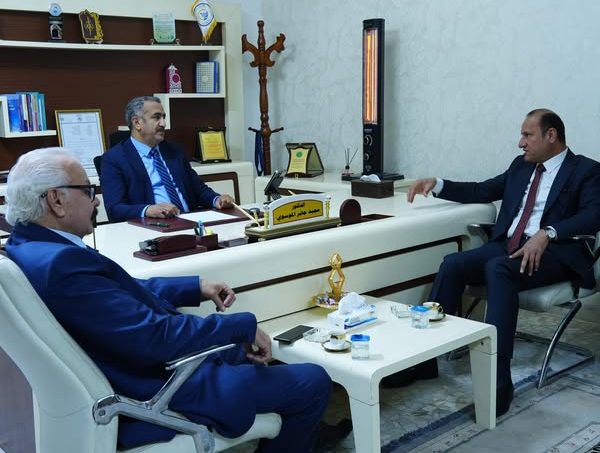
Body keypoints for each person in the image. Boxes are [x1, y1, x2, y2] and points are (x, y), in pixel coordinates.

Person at [5, 147, 332, 452]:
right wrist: (241, 325)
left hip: (140, 368)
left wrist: (195, 287)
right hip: (160, 386)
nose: (96, 201)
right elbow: (154, 337)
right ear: (57, 200)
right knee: (313, 380)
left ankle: (302, 428)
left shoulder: (30, 248)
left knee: (241, 353)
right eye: (88, 191)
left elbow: (119, 291)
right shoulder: (62, 265)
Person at [406, 109, 600, 416]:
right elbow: (482, 190)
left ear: (551, 135)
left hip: (555, 254)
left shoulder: (586, 170)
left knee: (498, 269)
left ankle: (498, 381)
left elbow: (593, 215)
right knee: (453, 263)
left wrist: (548, 233)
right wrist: (438, 183)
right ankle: (423, 361)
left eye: (527, 135)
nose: (520, 143)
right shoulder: (521, 166)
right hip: (507, 247)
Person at [101, 95, 235, 223]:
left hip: (191, 221)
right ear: (137, 123)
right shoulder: (114, 159)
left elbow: (198, 190)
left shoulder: (174, 151)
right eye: (156, 117)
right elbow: (115, 209)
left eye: (163, 117)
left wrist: (217, 199)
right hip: (153, 226)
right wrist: (148, 210)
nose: (163, 123)